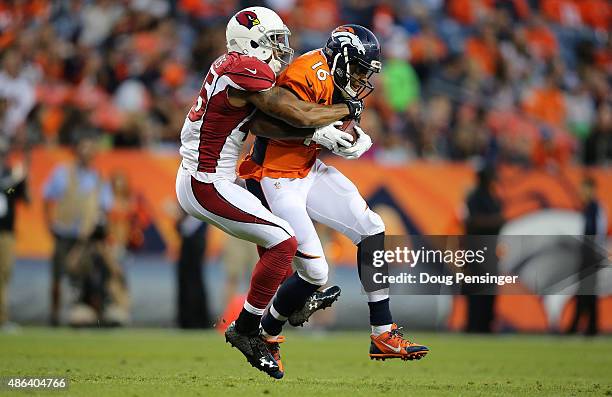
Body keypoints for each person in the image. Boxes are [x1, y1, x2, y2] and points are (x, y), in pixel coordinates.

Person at [175, 6, 362, 379]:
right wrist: (346, 107)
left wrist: (314, 133)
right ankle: (246, 329)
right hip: (207, 182)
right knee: (283, 242)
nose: (281, 50)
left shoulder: (236, 69)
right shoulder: (246, 67)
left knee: (273, 239)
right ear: (252, 42)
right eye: (275, 42)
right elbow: (295, 112)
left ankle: (291, 301)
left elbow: (264, 122)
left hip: (213, 178)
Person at [238, 25, 429, 368]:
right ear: (340, 58)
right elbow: (261, 124)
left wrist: (352, 137)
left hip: (306, 170)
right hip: (275, 176)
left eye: (364, 72)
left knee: (371, 228)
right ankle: (265, 335)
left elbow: (331, 122)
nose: (359, 78)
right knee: (315, 272)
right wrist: (319, 132)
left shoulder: (338, 80)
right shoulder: (304, 73)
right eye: (357, 68)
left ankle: (382, 332)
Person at [43, 136, 113, 326]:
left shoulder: (98, 178)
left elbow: (105, 207)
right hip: (64, 231)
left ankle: (92, 317)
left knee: (88, 276)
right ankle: (54, 316)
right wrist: (50, 224)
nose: (87, 153)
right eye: (83, 148)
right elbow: (47, 197)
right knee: (57, 277)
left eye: (90, 149)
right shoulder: (62, 173)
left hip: (86, 236)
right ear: (77, 151)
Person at [464, 166, 505, 333]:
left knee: (488, 289)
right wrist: (496, 221)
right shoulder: (475, 199)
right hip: (477, 250)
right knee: (476, 289)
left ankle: (486, 324)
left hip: (488, 251)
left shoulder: (492, 198)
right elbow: (473, 221)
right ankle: (474, 325)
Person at [568, 176, 607, 336]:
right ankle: (591, 327)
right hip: (588, 253)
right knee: (588, 291)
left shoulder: (595, 208)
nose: (581, 192)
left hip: (591, 254)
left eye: (583, 188)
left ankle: (577, 326)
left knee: (585, 291)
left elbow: (598, 232)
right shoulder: (588, 208)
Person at [0, 138, 29, 331]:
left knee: (4, 275)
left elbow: (17, 195)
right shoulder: (9, 177)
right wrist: (13, 181)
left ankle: (2, 318)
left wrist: (22, 181)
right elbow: (5, 189)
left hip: (6, 232)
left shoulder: (9, 173)